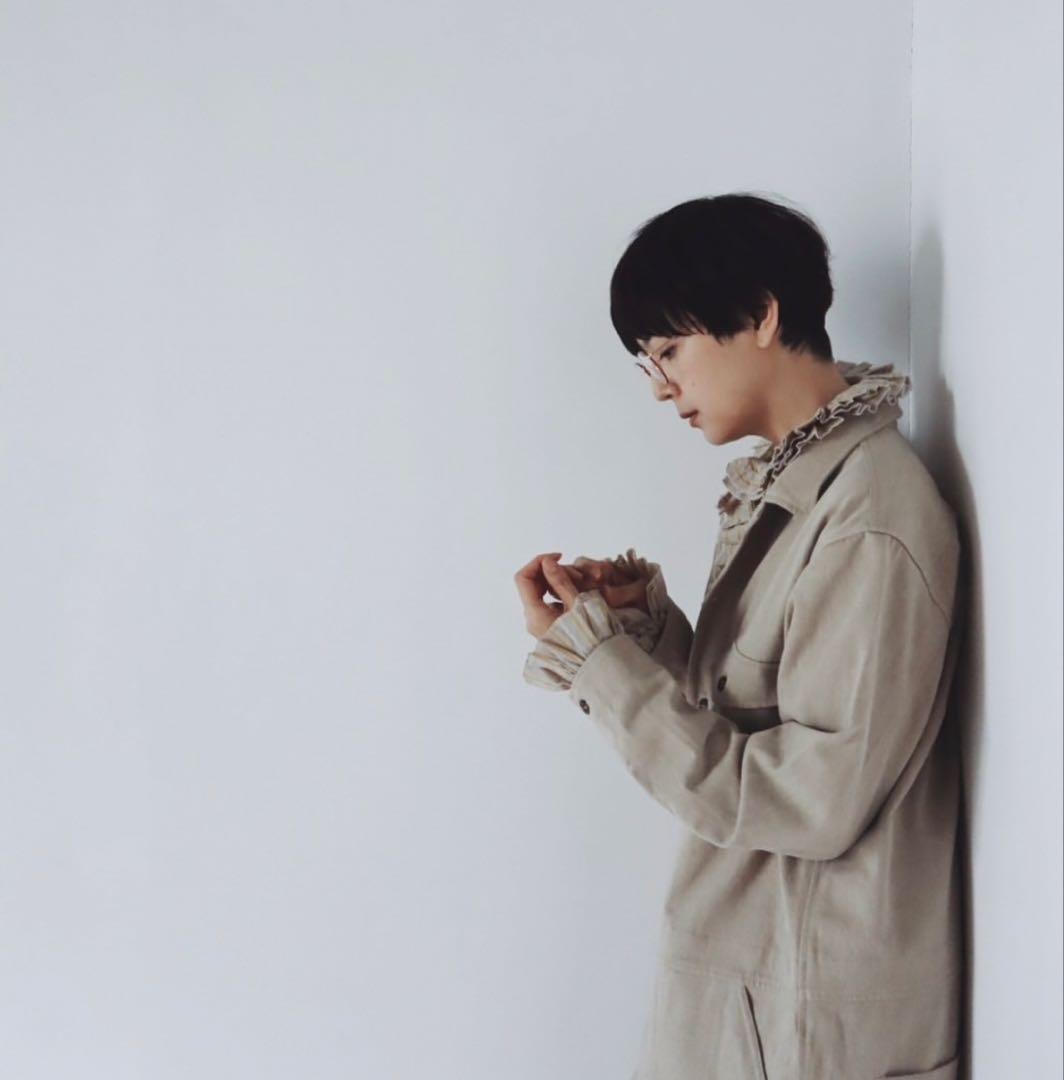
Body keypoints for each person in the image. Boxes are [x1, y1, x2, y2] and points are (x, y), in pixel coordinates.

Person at [514, 194, 965, 1079]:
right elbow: (750, 713)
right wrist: (636, 631)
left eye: (669, 351)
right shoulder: (803, 492)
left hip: (805, 1026)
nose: (659, 387)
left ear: (761, 314)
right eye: (647, 361)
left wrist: (602, 666)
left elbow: (810, 799)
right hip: (765, 996)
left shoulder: (868, 518)